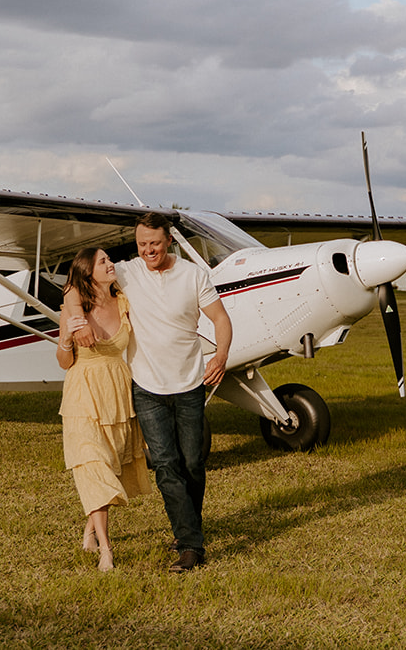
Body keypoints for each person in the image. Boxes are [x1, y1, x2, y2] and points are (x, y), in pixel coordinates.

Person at [116, 213, 232, 573]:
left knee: (193, 464)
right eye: (141, 244)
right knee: (166, 465)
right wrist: (72, 323)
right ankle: (190, 545)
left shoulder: (193, 275)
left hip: (190, 384)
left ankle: (188, 529)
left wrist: (222, 355)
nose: (147, 250)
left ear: (169, 241)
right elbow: (78, 279)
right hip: (147, 387)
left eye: (154, 243)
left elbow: (221, 320)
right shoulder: (126, 272)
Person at [56, 246, 150, 572]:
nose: (111, 264)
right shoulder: (73, 309)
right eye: (103, 261)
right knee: (92, 464)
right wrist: (67, 338)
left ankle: (89, 532)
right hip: (84, 393)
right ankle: (106, 551)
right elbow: (65, 362)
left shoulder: (123, 302)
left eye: (109, 259)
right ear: (87, 272)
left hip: (118, 391)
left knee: (110, 465)